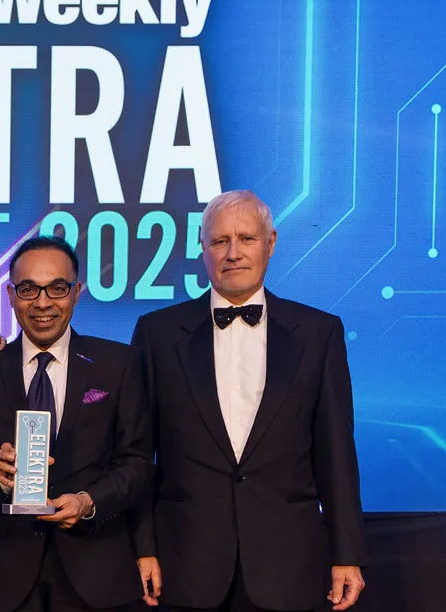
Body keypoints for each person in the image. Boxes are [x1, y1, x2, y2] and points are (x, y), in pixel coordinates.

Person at [129, 189, 366, 612]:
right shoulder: (157, 333)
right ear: (202, 249)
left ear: (270, 243)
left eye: (246, 239)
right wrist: (143, 546)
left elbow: (336, 453)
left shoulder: (319, 333)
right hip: (186, 564)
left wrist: (346, 553)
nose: (233, 253)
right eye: (220, 241)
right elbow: (138, 454)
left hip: (288, 563)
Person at [0, 236, 151, 612]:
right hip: (6, 579)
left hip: (98, 573)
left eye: (57, 288)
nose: (42, 303)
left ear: (76, 292)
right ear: (11, 295)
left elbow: (137, 462)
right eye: (28, 289)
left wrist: (88, 502)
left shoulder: (118, 363)